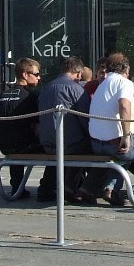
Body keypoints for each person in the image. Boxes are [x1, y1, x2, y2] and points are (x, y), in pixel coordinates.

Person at [79, 52, 134, 207]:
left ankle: (103, 188)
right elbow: (124, 105)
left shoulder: (101, 85)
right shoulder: (124, 83)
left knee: (124, 155)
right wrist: (126, 136)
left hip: (97, 143)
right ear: (126, 68)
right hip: (114, 142)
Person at [36, 55, 90, 201]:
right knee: (92, 146)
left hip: (46, 142)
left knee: (63, 151)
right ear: (78, 73)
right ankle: (77, 187)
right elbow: (86, 120)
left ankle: (48, 187)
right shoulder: (77, 89)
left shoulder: (46, 87)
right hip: (68, 144)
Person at [0, 57, 43, 198]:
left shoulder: (1, 96)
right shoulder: (32, 97)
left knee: (15, 136)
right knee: (54, 148)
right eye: (36, 74)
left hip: (2, 145)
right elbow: (38, 126)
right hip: (23, 145)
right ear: (25, 75)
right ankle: (48, 188)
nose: (39, 78)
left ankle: (17, 187)